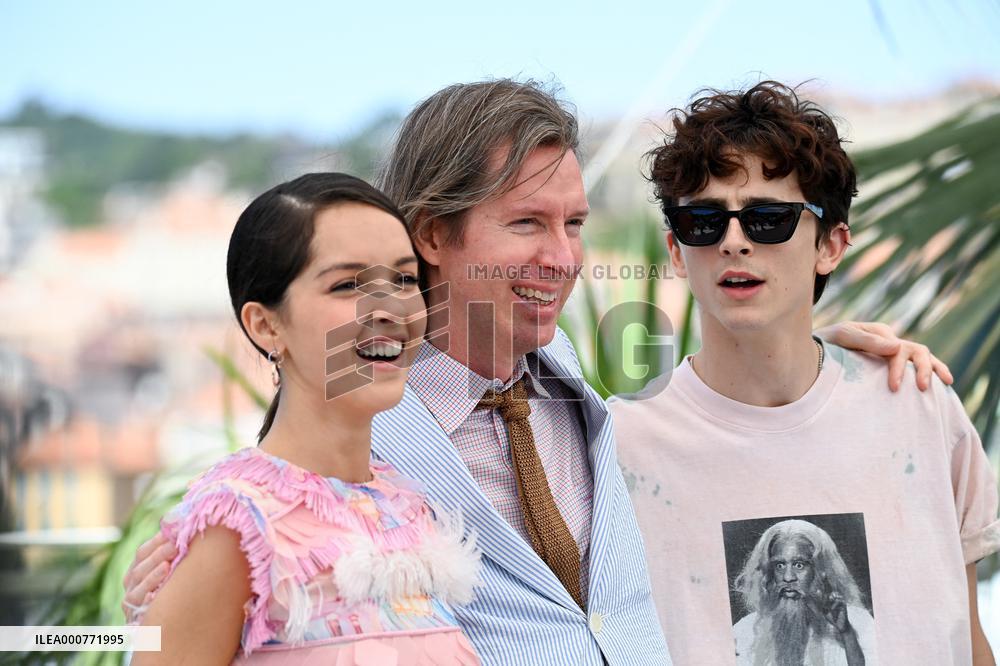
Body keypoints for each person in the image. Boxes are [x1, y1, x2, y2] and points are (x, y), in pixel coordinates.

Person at [124, 79, 953, 665]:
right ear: (432, 237)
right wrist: (159, 608)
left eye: (575, 224)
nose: (562, 259)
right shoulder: (357, 425)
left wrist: (818, 342)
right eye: (526, 223)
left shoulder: (578, 394)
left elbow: (711, 405)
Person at [613, 81, 998, 665]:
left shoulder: (918, 405)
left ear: (831, 245)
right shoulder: (620, 446)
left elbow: (969, 643)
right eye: (703, 222)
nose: (734, 241)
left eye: (768, 218)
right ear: (675, 249)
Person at [130, 173, 482, 665]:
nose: (390, 309)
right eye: (346, 285)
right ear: (266, 325)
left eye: (404, 279)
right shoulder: (237, 524)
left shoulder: (410, 511)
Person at [732, 520, 875, 666]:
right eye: (780, 565)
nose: (788, 577)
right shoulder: (746, 630)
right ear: (769, 572)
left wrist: (847, 633)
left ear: (820, 570)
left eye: (799, 565)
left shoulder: (859, 622)